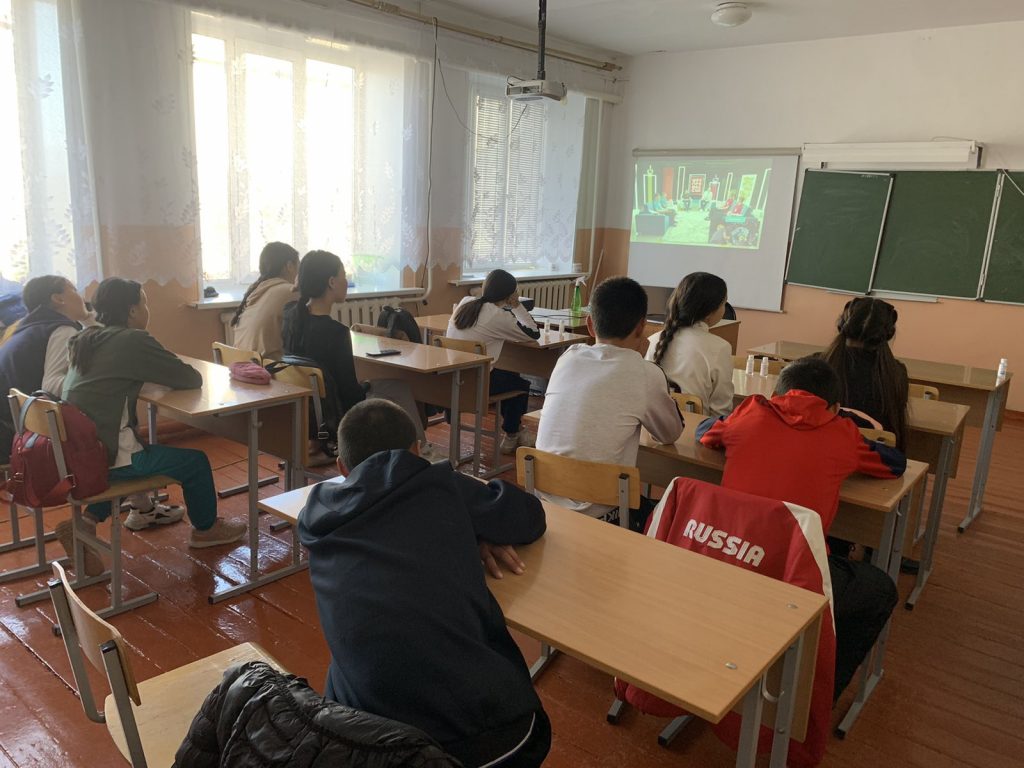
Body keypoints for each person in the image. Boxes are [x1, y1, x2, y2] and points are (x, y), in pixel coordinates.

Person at [298, 399, 549, 767]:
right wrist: (479, 526)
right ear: (417, 450)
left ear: (341, 468)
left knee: (345, 666)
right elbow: (530, 517)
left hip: (360, 740)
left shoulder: (315, 515)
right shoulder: (440, 485)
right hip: (480, 743)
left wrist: (470, 527)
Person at [696, 356, 905, 699]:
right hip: (793, 574)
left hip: (729, 555)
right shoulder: (842, 432)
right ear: (834, 407)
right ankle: (810, 696)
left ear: (776, 394)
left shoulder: (749, 412)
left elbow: (705, 433)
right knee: (880, 589)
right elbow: (895, 464)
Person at [63, 278, 247, 559]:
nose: (147, 310)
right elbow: (189, 378)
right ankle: (206, 530)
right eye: (144, 303)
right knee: (195, 462)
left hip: (82, 453)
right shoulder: (132, 340)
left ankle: (87, 521)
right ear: (132, 310)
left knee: (132, 459)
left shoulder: (85, 339)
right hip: (110, 455)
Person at [536, 276, 683, 528]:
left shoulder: (567, 357)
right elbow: (669, 434)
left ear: (590, 324)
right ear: (642, 326)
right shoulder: (645, 373)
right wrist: (638, 361)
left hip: (544, 503)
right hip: (603, 515)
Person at [281, 250, 425, 451]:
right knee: (398, 387)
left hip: (308, 411)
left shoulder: (290, 316)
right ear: (332, 282)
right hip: (337, 414)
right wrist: (365, 386)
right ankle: (419, 450)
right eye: (343, 275)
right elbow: (350, 395)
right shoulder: (336, 333)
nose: (346, 281)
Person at [446, 269, 540, 453]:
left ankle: (517, 432)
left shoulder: (465, 302)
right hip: (478, 383)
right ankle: (512, 434)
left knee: (508, 376)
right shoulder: (499, 316)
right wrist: (517, 306)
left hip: (453, 379)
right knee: (521, 386)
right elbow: (533, 333)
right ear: (509, 295)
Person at [0, 276, 91, 462]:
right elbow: (52, 386)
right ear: (58, 298)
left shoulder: (22, 329)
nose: (82, 297)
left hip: (14, 433)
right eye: (74, 290)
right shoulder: (62, 331)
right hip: (24, 439)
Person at [821, 297, 909, 451]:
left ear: (842, 325)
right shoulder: (896, 373)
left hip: (823, 452)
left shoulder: (817, 365)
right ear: (888, 333)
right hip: (872, 457)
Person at [647, 272, 734, 418]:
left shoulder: (652, 340)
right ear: (709, 311)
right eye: (724, 303)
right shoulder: (720, 347)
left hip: (653, 427)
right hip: (698, 428)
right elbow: (721, 411)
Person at [230, 241, 299, 361]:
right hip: (267, 369)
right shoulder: (291, 291)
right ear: (289, 266)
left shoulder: (256, 291)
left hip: (241, 366)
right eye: (299, 267)